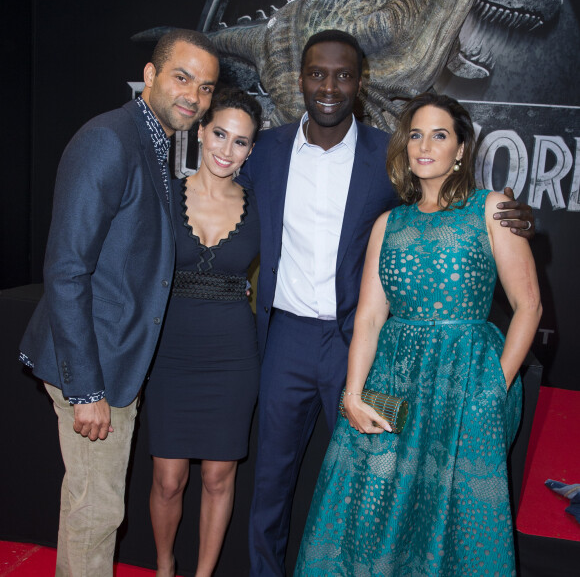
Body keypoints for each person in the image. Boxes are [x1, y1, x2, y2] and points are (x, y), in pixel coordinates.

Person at [235, 29, 535, 576]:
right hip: (292, 339)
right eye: (317, 74)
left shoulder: (384, 156)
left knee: (381, 492)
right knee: (273, 484)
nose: (329, 86)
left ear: (359, 81)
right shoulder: (267, 152)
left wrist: (519, 217)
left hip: (365, 346)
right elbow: (217, 191)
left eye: (343, 74)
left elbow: (454, 212)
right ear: (298, 79)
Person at [294, 92, 542, 576]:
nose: (424, 145)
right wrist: (351, 394)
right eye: (415, 134)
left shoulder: (491, 209)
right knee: (367, 509)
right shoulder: (389, 223)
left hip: (466, 380)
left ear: (461, 149)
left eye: (440, 134)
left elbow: (528, 305)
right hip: (394, 380)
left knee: (455, 516)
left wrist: (496, 386)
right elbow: (368, 316)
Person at [18, 29, 219, 576]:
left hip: (111, 359)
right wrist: (86, 387)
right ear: (150, 77)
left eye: (205, 88)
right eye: (182, 78)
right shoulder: (109, 139)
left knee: (95, 502)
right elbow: (65, 269)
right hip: (91, 364)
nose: (193, 97)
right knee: (97, 508)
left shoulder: (154, 142)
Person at [145, 87, 262, 577]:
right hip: (171, 349)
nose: (225, 149)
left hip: (234, 354)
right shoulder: (166, 190)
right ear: (200, 131)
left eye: (240, 142)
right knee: (168, 479)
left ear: (251, 150)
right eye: (219, 133)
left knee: (219, 477)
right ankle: (166, 565)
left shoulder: (261, 205)